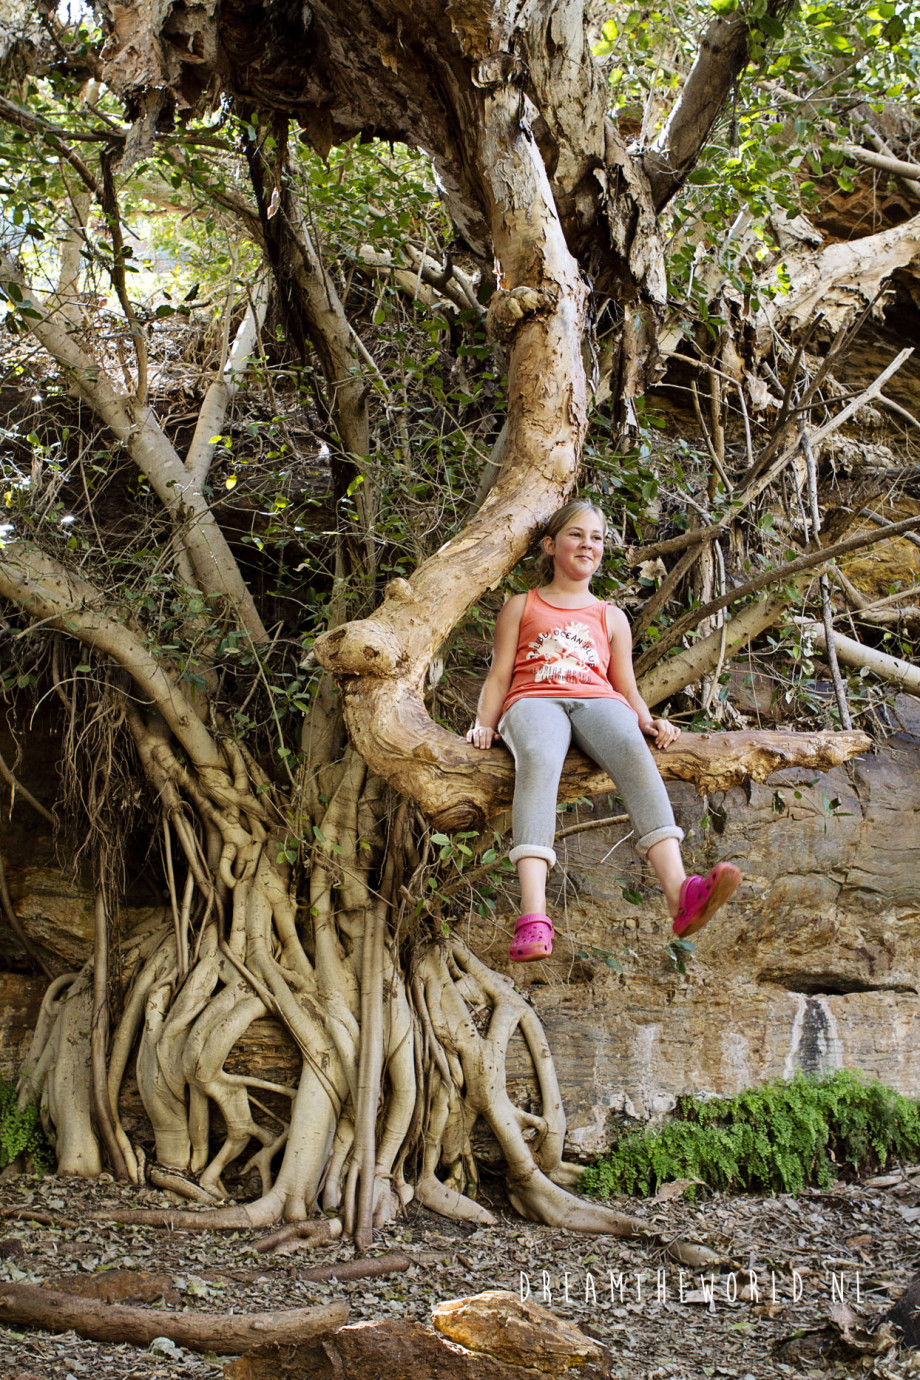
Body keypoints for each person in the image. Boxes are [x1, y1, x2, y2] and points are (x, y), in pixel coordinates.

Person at [467, 498, 740, 962]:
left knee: (635, 752)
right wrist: (483, 725)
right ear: (551, 545)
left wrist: (649, 719)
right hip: (533, 700)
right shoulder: (522, 605)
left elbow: (626, 686)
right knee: (539, 759)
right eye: (576, 535)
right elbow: (498, 674)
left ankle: (679, 894)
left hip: (598, 700)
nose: (586, 545)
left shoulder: (611, 616)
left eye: (596, 538)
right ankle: (533, 917)